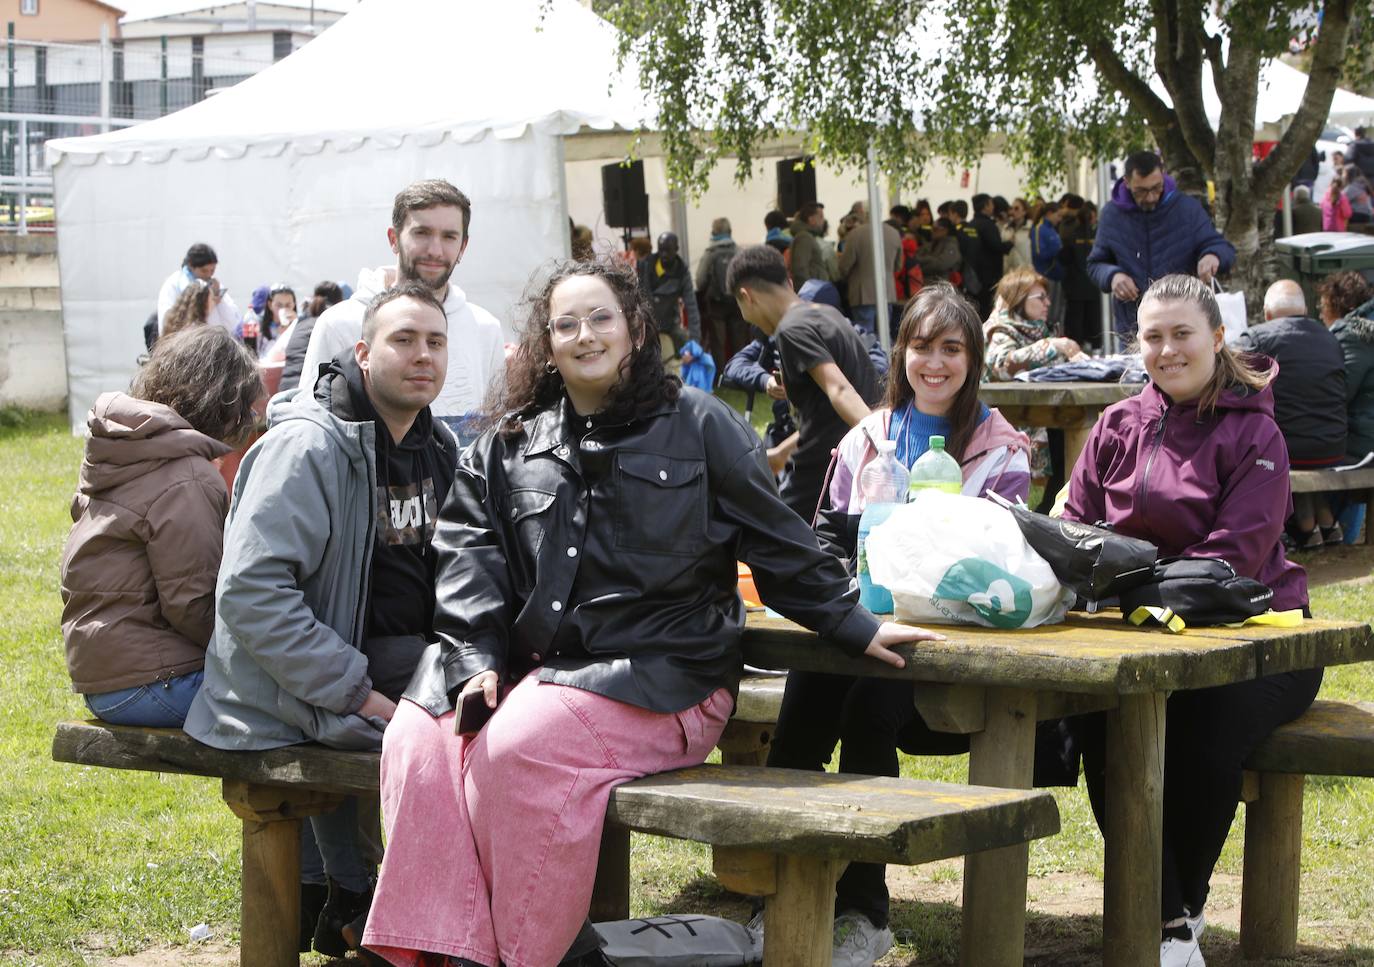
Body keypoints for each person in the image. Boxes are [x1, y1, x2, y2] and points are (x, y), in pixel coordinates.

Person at [355, 259, 940, 967]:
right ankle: (436, 951)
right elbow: (467, 559)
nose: (585, 334)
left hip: (666, 678)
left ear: (634, 329)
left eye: (601, 317)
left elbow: (781, 544)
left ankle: (522, 955)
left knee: (513, 745)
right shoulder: (511, 442)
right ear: (546, 342)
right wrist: (475, 656)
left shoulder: (701, 424)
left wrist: (856, 620)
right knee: (416, 735)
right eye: (566, 323)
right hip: (530, 673)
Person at [185, 282, 461, 958]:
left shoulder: (440, 445)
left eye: (436, 341)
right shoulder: (308, 449)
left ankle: (393, 913)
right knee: (464, 743)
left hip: (405, 657)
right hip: (297, 679)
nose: (422, 355)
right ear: (363, 352)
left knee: (518, 717)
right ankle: (411, 929)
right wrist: (355, 689)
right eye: (403, 339)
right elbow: (252, 595)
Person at [764, 283, 1032, 966]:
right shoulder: (867, 438)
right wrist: (847, 607)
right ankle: (785, 891)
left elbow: (1001, 562)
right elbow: (824, 543)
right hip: (860, 626)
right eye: (921, 346)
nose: (934, 362)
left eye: (951, 347)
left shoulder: (1001, 448)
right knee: (804, 701)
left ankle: (863, 908)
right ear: (901, 353)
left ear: (973, 356)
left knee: (868, 698)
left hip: (950, 645)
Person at [1062, 274, 1311, 967]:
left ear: (1217, 337)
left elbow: (1232, 562)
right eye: (1152, 336)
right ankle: (1170, 923)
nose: (1167, 349)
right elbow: (1073, 532)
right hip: (1138, 634)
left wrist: (1119, 577)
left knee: (1203, 725)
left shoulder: (1255, 430)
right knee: (1097, 716)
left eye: (1182, 334)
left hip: (1266, 637)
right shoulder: (1114, 425)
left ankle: (1176, 914)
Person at [60, 326, 262, 728]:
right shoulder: (187, 476)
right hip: (152, 682)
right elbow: (193, 603)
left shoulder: (125, 449)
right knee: (303, 703)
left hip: (104, 677)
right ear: (224, 403)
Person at [301, 179, 505, 446]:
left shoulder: (485, 328)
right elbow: (308, 429)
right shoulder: (340, 324)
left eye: (449, 236)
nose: (435, 250)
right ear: (394, 239)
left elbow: (495, 433)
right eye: (421, 233)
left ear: (463, 247)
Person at [729, 244, 881, 520]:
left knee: (773, 544)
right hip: (844, 463)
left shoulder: (790, 329)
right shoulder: (827, 314)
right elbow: (826, 415)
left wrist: (883, 449)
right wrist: (780, 454)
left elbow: (841, 390)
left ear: (746, 296)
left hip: (823, 474)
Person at [1237, 280, 1347, 547]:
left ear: (1267, 313)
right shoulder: (1330, 338)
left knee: (1256, 438)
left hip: (1288, 451)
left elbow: (1226, 379)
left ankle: (1304, 528)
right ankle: (1321, 524)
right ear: (1305, 310)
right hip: (1332, 447)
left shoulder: (1256, 337)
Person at [1088, 151, 1236, 339]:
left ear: (1164, 176)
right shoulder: (1111, 215)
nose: (1150, 197)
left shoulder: (1187, 209)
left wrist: (1212, 255)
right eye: (1141, 191)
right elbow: (1095, 264)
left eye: (1156, 188)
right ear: (1126, 182)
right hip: (1133, 326)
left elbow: (1223, 248)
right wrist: (1113, 276)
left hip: (1184, 321)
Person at [1320, 273, 1374, 464]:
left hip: (1363, 445)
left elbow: (1338, 394)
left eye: (1324, 307)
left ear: (1341, 305)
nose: (1321, 315)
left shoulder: (1352, 336)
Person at [637, 230, 703, 373]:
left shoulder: (682, 271)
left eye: (668, 251)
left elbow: (691, 307)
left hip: (670, 324)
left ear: (677, 250)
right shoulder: (646, 266)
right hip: (647, 323)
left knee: (688, 349)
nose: (664, 255)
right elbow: (642, 298)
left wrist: (694, 343)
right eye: (661, 250)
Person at [836, 207, 903, 337]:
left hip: (862, 294)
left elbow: (844, 266)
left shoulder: (855, 234)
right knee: (884, 335)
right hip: (886, 293)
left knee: (865, 337)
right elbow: (898, 266)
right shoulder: (894, 233)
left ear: (864, 215)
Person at [695, 217, 748, 368]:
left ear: (713, 232)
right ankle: (741, 372)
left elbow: (700, 281)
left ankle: (720, 373)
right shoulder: (739, 252)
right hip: (738, 302)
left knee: (718, 341)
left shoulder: (710, 253)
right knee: (739, 339)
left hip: (716, 303)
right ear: (730, 232)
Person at [156, 242, 242, 333]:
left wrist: (220, 302)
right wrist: (207, 308)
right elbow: (168, 326)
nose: (209, 275)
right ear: (191, 266)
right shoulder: (173, 285)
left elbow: (234, 323)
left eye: (212, 270)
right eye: (203, 271)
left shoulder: (214, 285)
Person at [280, 281, 347, 393]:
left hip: (284, 392)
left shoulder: (299, 324)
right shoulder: (332, 326)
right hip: (307, 395)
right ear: (340, 303)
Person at [968, 192, 1013, 317]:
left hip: (974, 276)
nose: (993, 207)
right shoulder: (987, 225)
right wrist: (1009, 244)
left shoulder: (972, 224)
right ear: (986, 206)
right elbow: (996, 246)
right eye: (991, 204)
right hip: (989, 276)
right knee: (987, 309)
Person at [788, 201, 835, 286]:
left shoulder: (806, 236)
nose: (823, 220)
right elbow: (800, 269)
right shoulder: (804, 237)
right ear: (811, 219)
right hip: (812, 292)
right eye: (820, 217)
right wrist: (808, 292)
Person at [913, 217, 961, 283]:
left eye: (935, 229)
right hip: (926, 284)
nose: (931, 231)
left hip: (941, 287)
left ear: (945, 230)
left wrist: (921, 268)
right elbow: (915, 258)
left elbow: (941, 265)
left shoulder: (951, 246)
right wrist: (931, 259)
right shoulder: (931, 243)